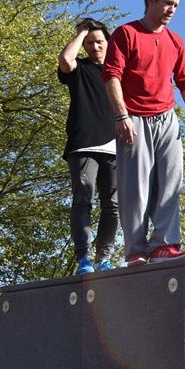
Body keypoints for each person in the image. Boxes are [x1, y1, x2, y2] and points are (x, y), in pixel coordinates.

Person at [102, 0, 185, 266]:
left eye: (176, 6)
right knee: (135, 187)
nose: (172, 10)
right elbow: (112, 76)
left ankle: (164, 244)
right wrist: (121, 115)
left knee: (171, 181)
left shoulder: (175, 40)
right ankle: (135, 248)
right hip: (133, 117)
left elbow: (184, 79)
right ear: (151, 0)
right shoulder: (126, 33)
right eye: (168, 3)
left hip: (167, 118)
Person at [58, 18, 119, 274]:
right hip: (83, 144)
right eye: (90, 43)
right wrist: (82, 31)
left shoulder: (118, 73)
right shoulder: (79, 68)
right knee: (83, 200)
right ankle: (84, 258)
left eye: (100, 42)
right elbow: (65, 60)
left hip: (115, 145)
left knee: (113, 205)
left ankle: (103, 257)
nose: (95, 47)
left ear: (109, 43)